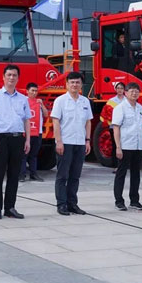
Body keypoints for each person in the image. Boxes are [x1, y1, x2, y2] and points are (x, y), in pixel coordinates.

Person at [0, 64, 31, 220]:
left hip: (18, 138)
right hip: (1, 138)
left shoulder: (23, 98)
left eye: (14, 75)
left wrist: (28, 140)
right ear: (3, 77)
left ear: (18, 78)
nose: (11, 78)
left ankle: (10, 207)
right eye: (9, 75)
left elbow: (26, 120)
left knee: (14, 174)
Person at [51, 71, 93, 216]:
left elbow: (88, 122)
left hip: (80, 143)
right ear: (67, 84)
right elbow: (55, 121)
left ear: (81, 84)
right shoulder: (60, 101)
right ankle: (61, 204)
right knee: (62, 176)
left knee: (75, 176)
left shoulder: (85, 101)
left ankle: (72, 203)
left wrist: (87, 141)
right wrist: (59, 141)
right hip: (65, 142)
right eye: (72, 82)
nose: (75, 85)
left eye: (77, 82)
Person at [111, 82, 142, 211]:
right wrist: (118, 147)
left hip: (137, 145)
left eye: (136, 91)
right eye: (131, 91)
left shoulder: (140, 108)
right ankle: (119, 201)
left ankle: (134, 201)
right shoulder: (120, 108)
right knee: (121, 173)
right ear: (125, 92)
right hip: (125, 145)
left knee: (136, 174)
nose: (134, 93)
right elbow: (116, 128)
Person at [19, 82, 48, 182]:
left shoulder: (38, 102)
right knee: (23, 155)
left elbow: (46, 114)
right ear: (27, 91)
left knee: (33, 154)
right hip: (26, 133)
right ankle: (21, 175)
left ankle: (33, 174)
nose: (34, 93)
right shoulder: (23, 101)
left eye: (36, 91)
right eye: (32, 91)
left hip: (37, 132)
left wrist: (42, 105)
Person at [100, 82, 125, 171]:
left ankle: (123, 166)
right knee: (115, 146)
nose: (120, 90)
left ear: (124, 90)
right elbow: (105, 114)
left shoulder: (127, 101)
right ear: (115, 89)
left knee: (125, 147)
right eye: (118, 88)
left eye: (121, 88)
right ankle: (116, 166)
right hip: (113, 127)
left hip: (125, 128)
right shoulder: (111, 101)